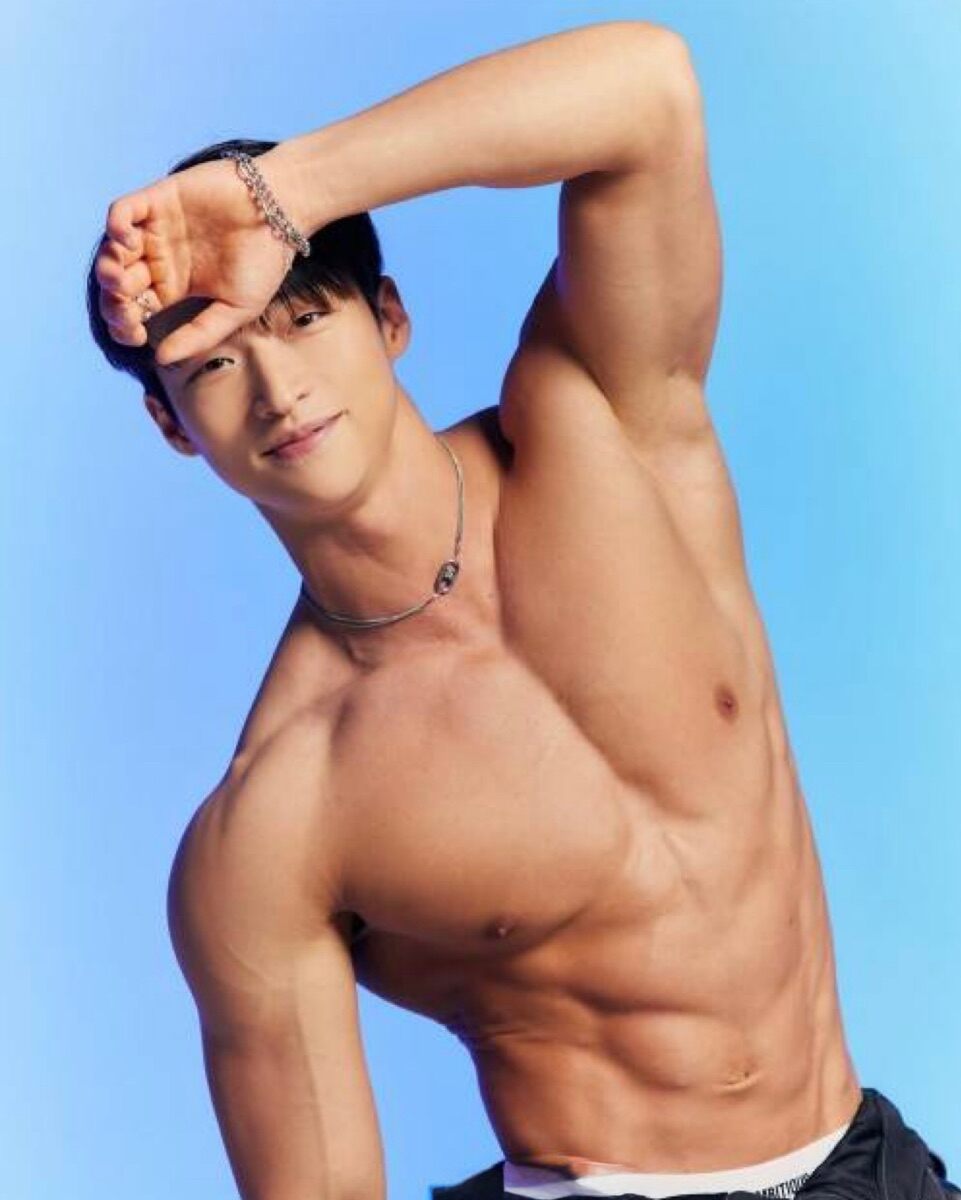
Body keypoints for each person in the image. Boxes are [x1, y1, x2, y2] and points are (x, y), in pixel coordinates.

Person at [86, 19, 957, 1200]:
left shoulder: (603, 419)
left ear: (390, 317)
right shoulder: (274, 825)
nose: (279, 388)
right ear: (172, 426)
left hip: (867, 1163)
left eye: (304, 319)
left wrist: (280, 198)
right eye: (214, 365)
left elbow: (646, 90)